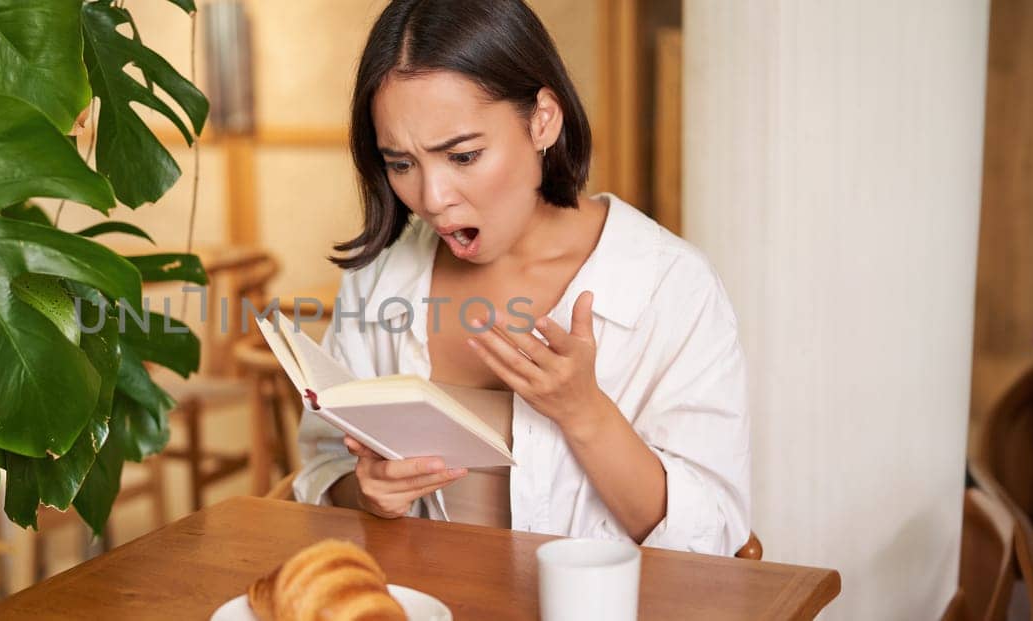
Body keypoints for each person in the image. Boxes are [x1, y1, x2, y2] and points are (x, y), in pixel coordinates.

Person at [291, 0, 751, 556]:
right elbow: (323, 468)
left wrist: (585, 414)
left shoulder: (671, 286)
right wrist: (366, 493)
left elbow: (717, 540)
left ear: (542, 121)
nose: (432, 199)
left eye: (462, 156)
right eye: (401, 164)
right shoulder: (384, 277)